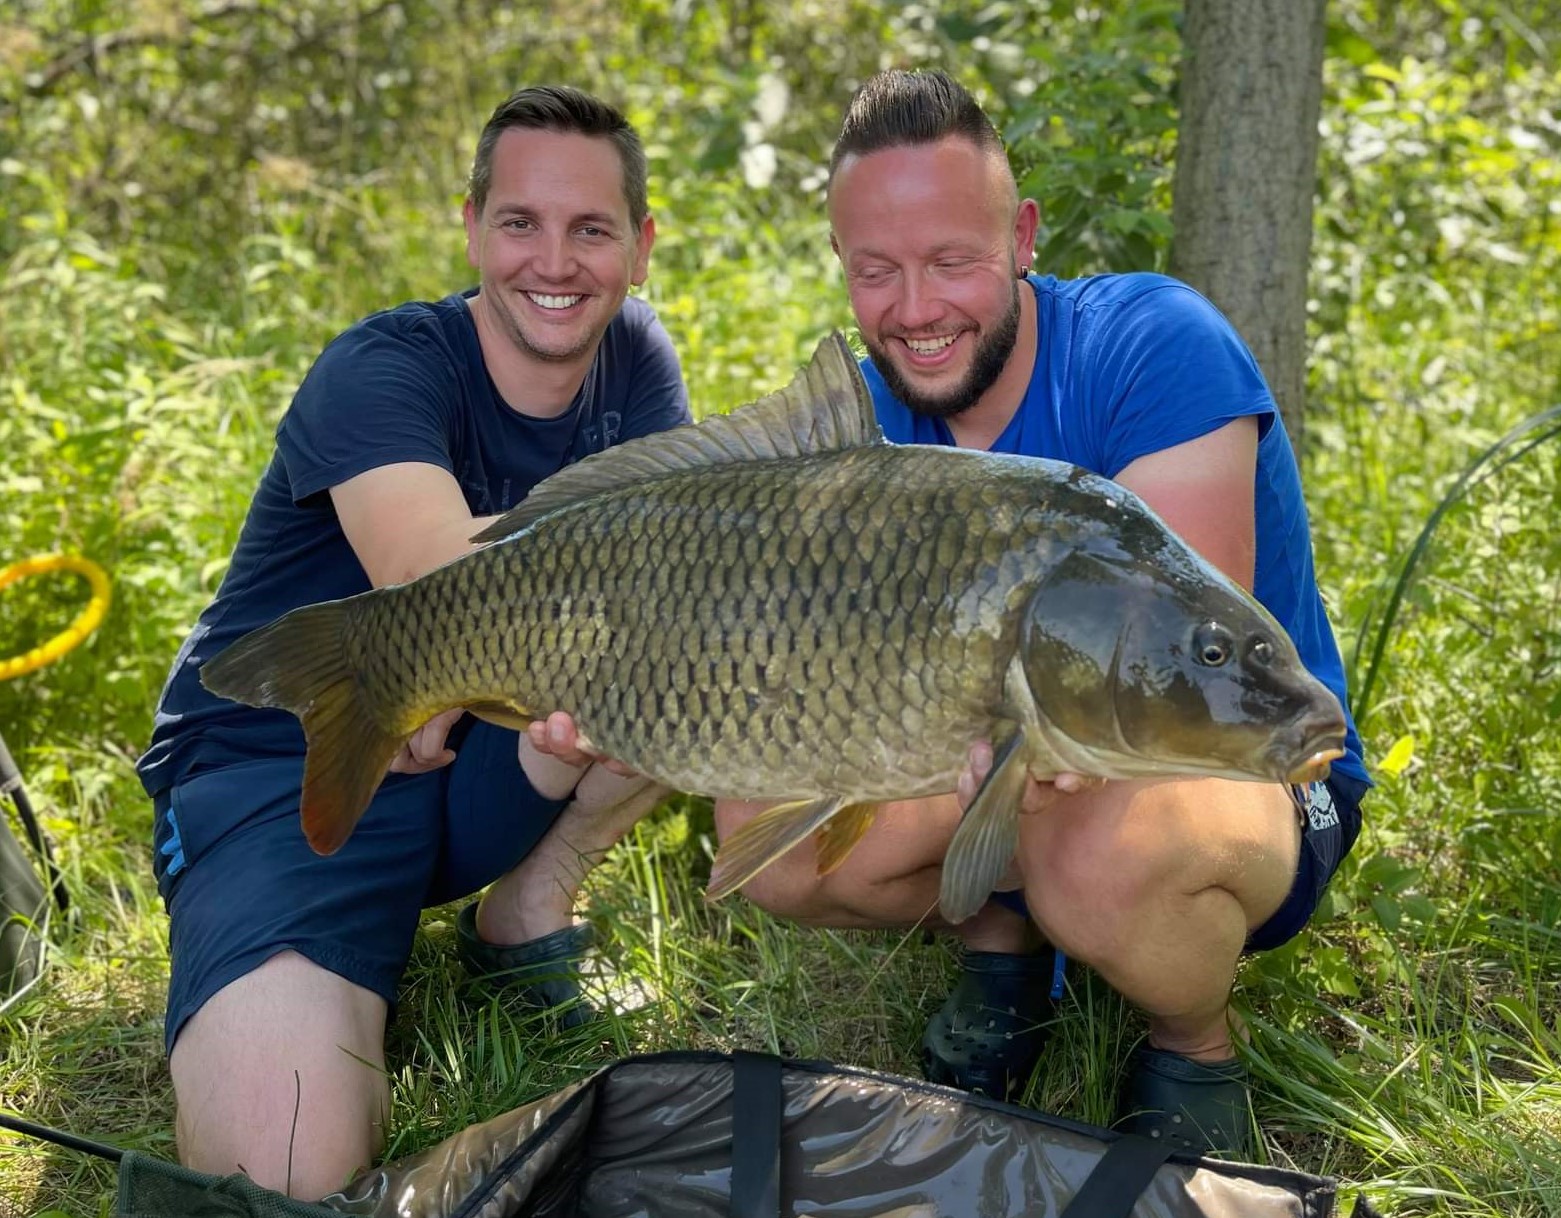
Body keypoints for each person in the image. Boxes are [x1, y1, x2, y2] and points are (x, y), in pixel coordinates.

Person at [713, 69, 1372, 1157]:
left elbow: (1185, 680)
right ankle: (1004, 951)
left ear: (1020, 237)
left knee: (1088, 840)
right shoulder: (867, 433)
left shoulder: (1154, 343)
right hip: (1006, 757)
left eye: (951, 261)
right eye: (877, 271)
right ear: (842, 267)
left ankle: (1191, 1038)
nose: (915, 310)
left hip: (1234, 769)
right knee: (771, 832)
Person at [136, 85, 689, 1199]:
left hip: (484, 745)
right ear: (473, 222)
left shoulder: (634, 357)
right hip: (284, 756)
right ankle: (299, 958)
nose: (557, 261)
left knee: (690, 663)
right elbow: (430, 571)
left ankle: (525, 907)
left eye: (592, 229)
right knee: (277, 1162)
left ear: (639, 244)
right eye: (521, 222)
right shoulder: (383, 366)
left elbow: (673, 573)